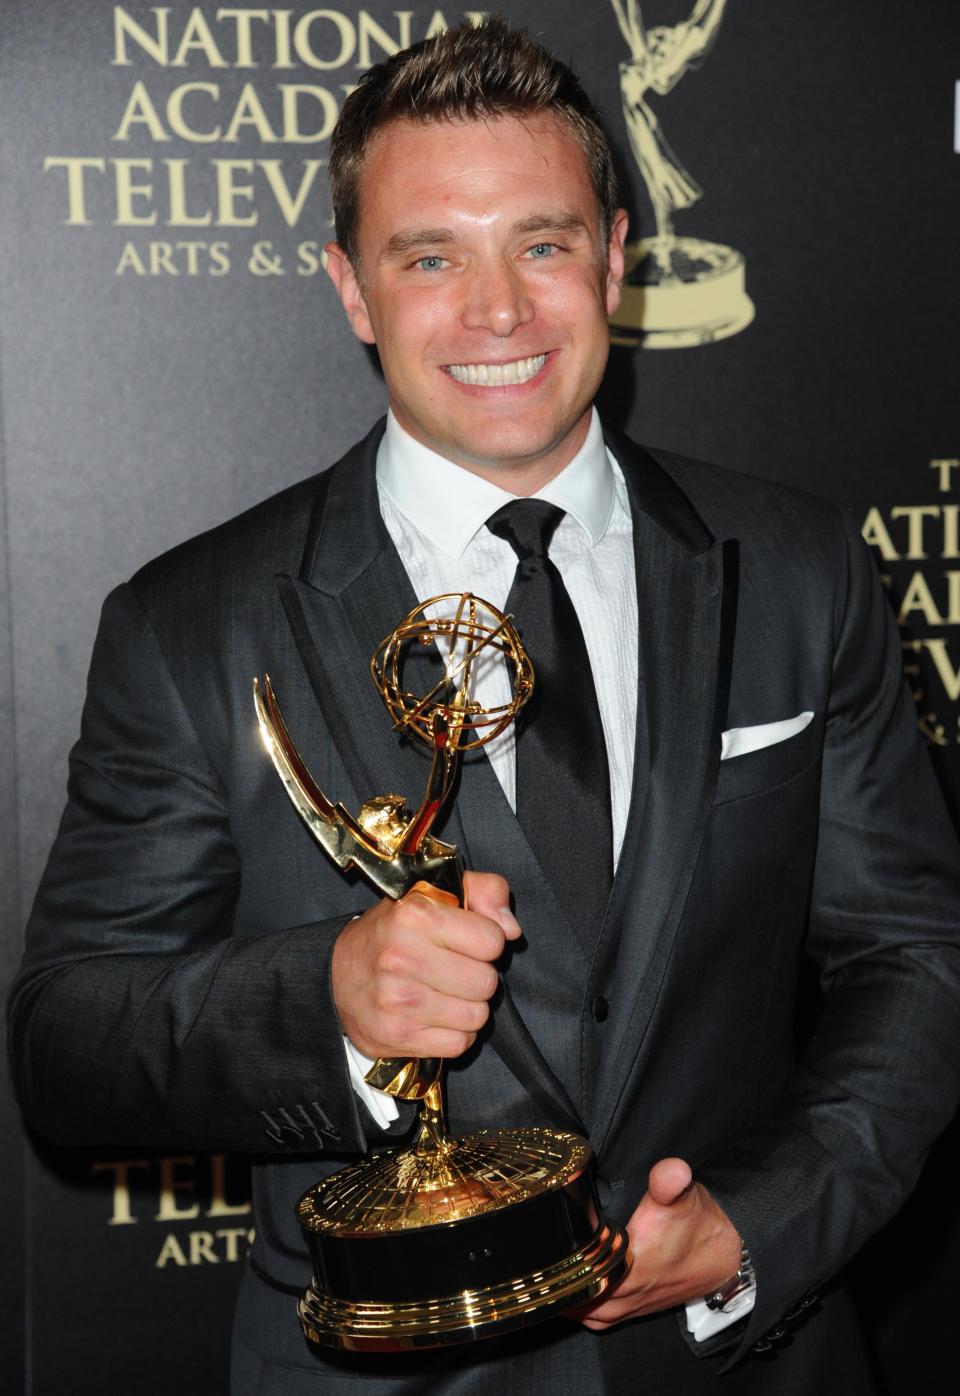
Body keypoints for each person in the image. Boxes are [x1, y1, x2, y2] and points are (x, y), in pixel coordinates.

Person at [8, 17, 960, 1396]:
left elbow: (919, 959)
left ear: (617, 257)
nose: (499, 311)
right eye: (430, 256)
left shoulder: (801, 566)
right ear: (351, 288)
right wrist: (325, 997)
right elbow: (69, 1047)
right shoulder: (189, 622)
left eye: (544, 242)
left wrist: (760, 1223)